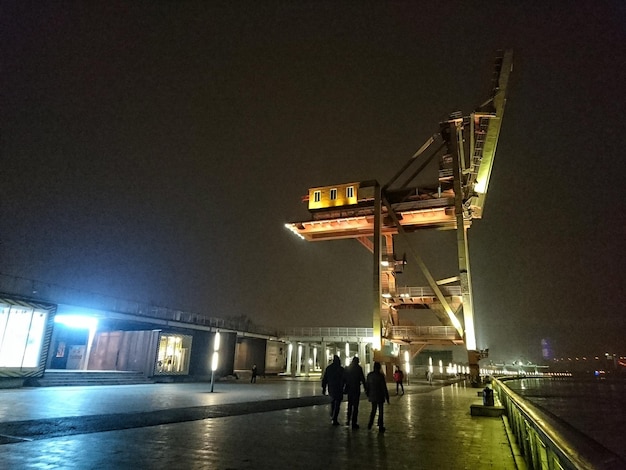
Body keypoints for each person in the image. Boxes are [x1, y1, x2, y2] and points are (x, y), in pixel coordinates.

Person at [365, 361, 390, 432]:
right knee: (381, 411)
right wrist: (387, 397)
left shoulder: (370, 375)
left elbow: (367, 386)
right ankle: (380, 425)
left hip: (372, 395)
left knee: (373, 410)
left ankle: (370, 423)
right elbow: (384, 387)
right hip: (380, 395)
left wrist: (368, 393)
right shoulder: (380, 376)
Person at [321, 355, 345, 425]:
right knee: (337, 403)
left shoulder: (329, 368)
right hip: (339, 388)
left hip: (331, 388)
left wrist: (324, 388)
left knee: (333, 401)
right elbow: (345, 379)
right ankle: (335, 417)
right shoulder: (341, 369)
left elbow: (325, 379)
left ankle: (332, 413)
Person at [344, 356, 366, 429]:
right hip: (356, 388)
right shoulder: (358, 368)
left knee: (350, 405)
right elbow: (362, 378)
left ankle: (348, 420)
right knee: (355, 406)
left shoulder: (348, 368)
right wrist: (366, 388)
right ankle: (354, 422)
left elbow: (344, 378)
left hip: (349, 388)